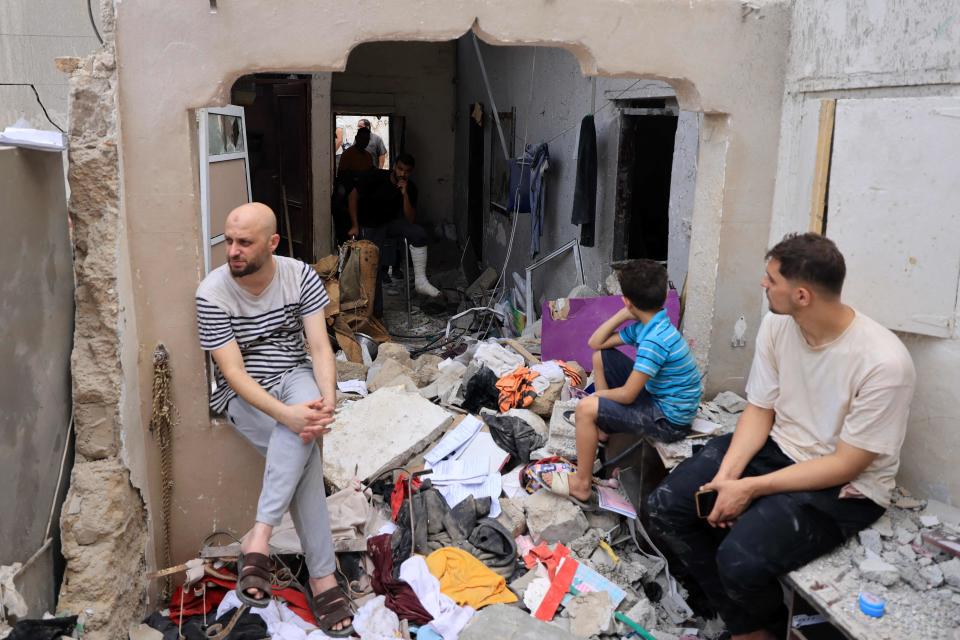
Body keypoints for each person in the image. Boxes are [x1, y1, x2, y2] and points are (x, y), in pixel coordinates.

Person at [647, 233, 916, 640]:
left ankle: (761, 628)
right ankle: (744, 622)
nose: (763, 284)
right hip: (779, 448)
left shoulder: (884, 362)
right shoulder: (778, 326)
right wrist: (728, 477)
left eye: (771, 279)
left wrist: (751, 487)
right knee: (666, 507)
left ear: (802, 295)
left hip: (843, 484)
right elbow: (759, 409)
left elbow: (848, 463)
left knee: (738, 560)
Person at [194, 203, 354, 637]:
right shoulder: (212, 293)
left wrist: (327, 400)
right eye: (228, 241)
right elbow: (233, 374)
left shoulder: (299, 275)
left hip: (294, 376)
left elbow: (319, 347)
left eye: (244, 242)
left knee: (303, 424)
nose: (232, 251)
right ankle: (321, 577)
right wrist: (290, 416)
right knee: (304, 454)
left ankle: (258, 539)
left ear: (272, 243)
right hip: (245, 394)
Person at [542, 260, 702, 504]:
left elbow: (628, 395)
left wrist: (596, 398)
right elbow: (596, 344)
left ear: (628, 299)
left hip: (670, 420)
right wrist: (623, 314)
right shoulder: (651, 324)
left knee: (585, 408)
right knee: (602, 357)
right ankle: (604, 426)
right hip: (660, 399)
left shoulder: (655, 340)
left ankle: (582, 484)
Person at [347, 152, 441, 299]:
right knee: (373, 265)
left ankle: (421, 281)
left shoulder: (411, 188)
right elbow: (353, 196)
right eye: (400, 169)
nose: (402, 173)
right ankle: (375, 312)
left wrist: (404, 195)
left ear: (411, 172)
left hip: (390, 224)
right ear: (394, 167)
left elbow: (410, 219)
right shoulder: (377, 177)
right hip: (369, 224)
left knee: (418, 233)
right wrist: (354, 224)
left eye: (407, 171)